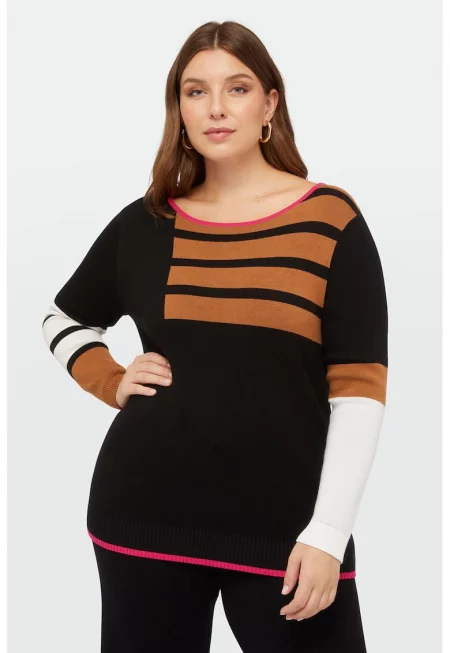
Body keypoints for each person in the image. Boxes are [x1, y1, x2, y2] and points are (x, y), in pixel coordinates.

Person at [42, 20, 388, 653]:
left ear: (270, 104)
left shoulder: (328, 220)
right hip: (143, 518)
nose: (216, 108)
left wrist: (328, 533)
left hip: (289, 535)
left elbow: (358, 392)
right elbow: (62, 319)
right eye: (195, 91)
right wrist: (111, 380)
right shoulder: (147, 224)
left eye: (238, 87)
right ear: (179, 109)